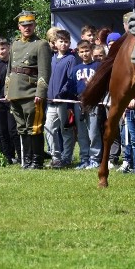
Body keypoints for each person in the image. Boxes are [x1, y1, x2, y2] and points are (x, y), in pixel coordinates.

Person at [5, 11, 52, 170]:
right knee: (22, 128)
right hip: (15, 93)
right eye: (24, 25)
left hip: (32, 93)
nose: (27, 28)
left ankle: (37, 162)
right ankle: (26, 161)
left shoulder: (41, 44)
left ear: (34, 25)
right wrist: (7, 90)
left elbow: (44, 72)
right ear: (19, 27)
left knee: (34, 128)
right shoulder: (15, 44)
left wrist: (40, 92)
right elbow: (10, 70)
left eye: (30, 25)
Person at [45, 29, 77, 169]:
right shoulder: (51, 58)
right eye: (61, 41)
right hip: (50, 101)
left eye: (66, 42)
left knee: (66, 130)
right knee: (49, 128)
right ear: (55, 43)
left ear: (69, 43)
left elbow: (70, 79)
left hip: (64, 101)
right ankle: (55, 157)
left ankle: (66, 157)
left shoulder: (71, 59)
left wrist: (62, 93)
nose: (63, 44)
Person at [69, 39, 103, 169]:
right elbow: (72, 87)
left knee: (93, 132)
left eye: (87, 51)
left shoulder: (97, 66)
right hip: (79, 103)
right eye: (82, 51)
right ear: (78, 53)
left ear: (91, 51)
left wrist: (93, 86)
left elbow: (102, 85)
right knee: (81, 133)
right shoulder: (75, 69)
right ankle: (84, 158)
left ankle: (95, 158)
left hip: (93, 102)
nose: (84, 54)